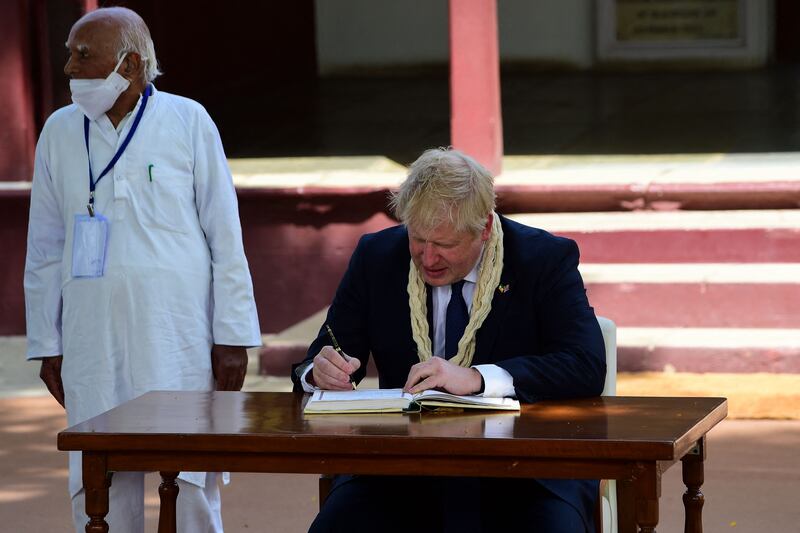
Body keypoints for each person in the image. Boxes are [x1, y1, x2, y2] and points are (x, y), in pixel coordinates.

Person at [24, 7, 261, 532]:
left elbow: (226, 234)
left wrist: (233, 335)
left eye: (83, 55)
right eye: (69, 53)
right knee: (99, 477)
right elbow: (44, 247)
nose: (68, 67)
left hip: (176, 334)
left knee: (192, 474)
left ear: (129, 64)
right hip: (91, 338)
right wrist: (47, 340)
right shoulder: (59, 131)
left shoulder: (188, 120)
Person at [292, 147, 606, 532]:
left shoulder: (542, 258)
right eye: (418, 239)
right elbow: (328, 351)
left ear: (485, 228)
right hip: (401, 468)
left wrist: (476, 379)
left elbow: (585, 363)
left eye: (445, 244)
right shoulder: (378, 256)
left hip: (524, 470)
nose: (428, 258)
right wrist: (319, 371)